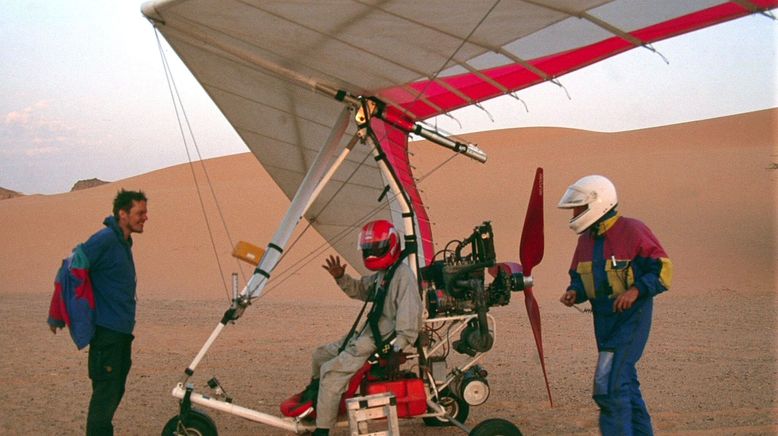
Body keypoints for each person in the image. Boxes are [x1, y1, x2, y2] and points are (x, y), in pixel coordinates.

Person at [557, 175, 672, 436]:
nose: (575, 213)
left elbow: (663, 271)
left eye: (579, 208)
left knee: (608, 385)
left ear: (598, 204)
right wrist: (574, 291)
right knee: (625, 384)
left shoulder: (632, 230)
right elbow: (580, 277)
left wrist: (636, 290)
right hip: (604, 322)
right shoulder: (585, 240)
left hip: (631, 320)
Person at [305, 219, 423, 436]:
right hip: (366, 335)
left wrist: (393, 351)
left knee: (330, 373)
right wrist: (341, 278)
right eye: (368, 249)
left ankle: (323, 430)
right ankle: (319, 400)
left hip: (379, 342)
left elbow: (408, 323)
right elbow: (361, 290)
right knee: (320, 355)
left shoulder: (403, 276)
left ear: (391, 245)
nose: (371, 253)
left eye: (376, 248)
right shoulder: (385, 274)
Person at [50, 189, 148, 436]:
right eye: (140, 212)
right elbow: (70, 266)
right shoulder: (104, 239)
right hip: (107, 334)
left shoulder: (122, 242)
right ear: (123, 214)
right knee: (106, 395)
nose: (145, 217)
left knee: (115, 390)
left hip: (120, 334)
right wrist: (58, 313)